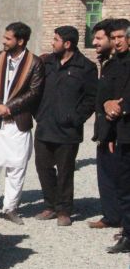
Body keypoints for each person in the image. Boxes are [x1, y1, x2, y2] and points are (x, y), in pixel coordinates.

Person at [0, 22, 43, 225]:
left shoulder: (35, 63)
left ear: (20, 41)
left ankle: (10, 208)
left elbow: (34, 92)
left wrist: (9, 107)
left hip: (17, 121)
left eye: (8, 38)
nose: (3, 41)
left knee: (16, 166)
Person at [33, 26, 97, 226]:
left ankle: (64, 210)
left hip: (68, 131)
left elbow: (91, 98)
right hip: (45, 126)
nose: (52, 43)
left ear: (67, 44)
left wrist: (75, 118)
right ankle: (50, 205)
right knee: (43, 167)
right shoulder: (46, 63)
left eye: (56, 40)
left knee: (65, 171)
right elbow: (35, 88)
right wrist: (38, 114)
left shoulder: (86, 67)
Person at [98, 19, 130, 253]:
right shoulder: (110, 66)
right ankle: (128, 234)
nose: (117, 42)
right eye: (114, 38)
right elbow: (103, 96)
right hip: (121, 134)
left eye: (121, 37)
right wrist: (107, 105)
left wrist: (122, 107)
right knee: (124, 187)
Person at [89, 19, 121, 230]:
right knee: (106, 175)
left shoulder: (121, 65)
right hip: (104, 130)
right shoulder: (107, 63)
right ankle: (111, 215)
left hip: (117, 131)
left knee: (119, 176)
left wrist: (112, 133)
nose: (94, 42)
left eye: (99, 38)